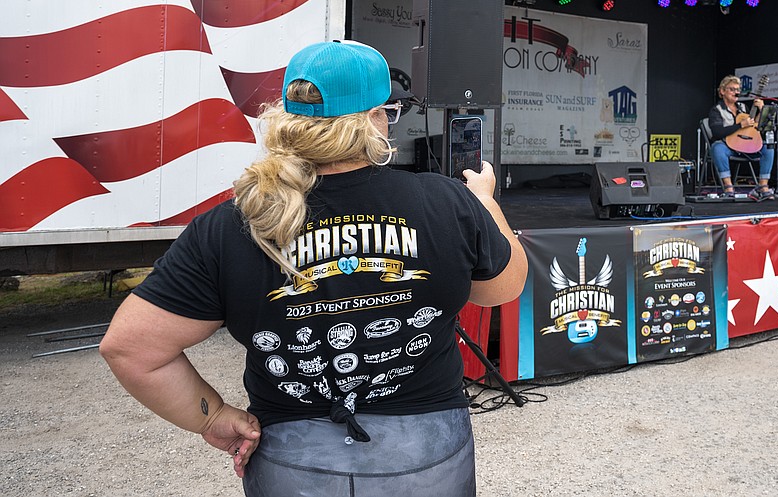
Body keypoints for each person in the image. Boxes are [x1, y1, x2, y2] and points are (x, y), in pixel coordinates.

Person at [100, 40, 528, 496]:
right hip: (427, 456)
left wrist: (213, 417)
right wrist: (485, 202)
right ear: (376, 117)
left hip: (291, 460)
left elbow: (131, 349)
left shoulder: (231, 224)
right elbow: (502, 288)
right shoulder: (445, 201)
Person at [708, 74, 776, 196]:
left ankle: (763, 185)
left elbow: (755, 126)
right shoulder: (716, 110)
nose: (736, 92)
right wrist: (740, 125)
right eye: (732, 89)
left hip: (747, 146)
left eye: (738, 89)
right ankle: (728, 187)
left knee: (768, 147)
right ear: (722, 91)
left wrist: (761, 110)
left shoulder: (743, 107)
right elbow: (717, 132)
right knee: (717, 148)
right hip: (728, 147)